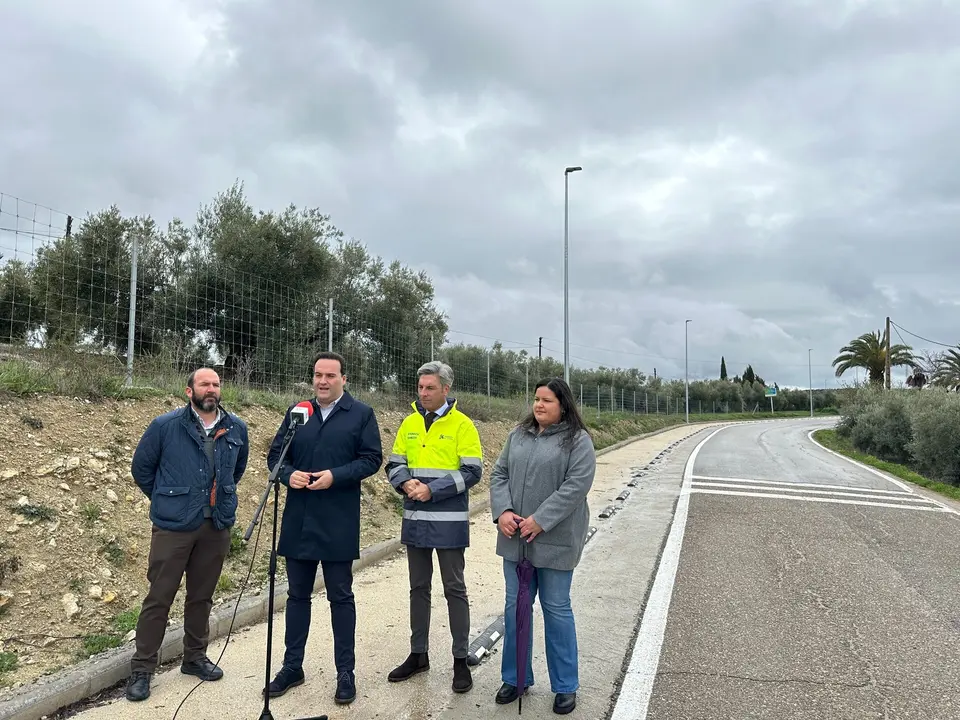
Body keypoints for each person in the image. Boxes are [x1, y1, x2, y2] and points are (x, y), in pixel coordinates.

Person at [264, 350, 383, 706]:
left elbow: (371, 459)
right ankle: (292, 667)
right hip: (299, 520)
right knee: (297, 596)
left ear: (344, 379)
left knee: (340, 598)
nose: (323, 381)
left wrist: (335, 476)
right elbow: (275, 457)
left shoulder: (361, 414)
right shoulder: (298, 412)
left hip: (337, 520)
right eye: (318, 375)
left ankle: (345, 672)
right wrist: (288, 475)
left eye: (330, 376)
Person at [125, 367, 250, 702]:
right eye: (204, 384)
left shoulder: (236, 427)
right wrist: (169, 499)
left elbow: (236, 471)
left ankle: (194, 658)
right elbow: (142, 469)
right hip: (173, 528)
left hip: (216, 527)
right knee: (159, 597)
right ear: (188, 390)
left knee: (202, 597)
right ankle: (142, 669)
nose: (211, 389)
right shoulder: (165, 426)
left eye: (216, 384)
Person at [489, 377, 596, 715]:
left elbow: (576, 486)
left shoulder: (578, 441)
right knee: (515, 610)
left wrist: (540, 520)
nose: (539, 405)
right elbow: (499, 474)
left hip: (556, 542)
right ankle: (515, 678)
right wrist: (503, 511)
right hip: (515, 541)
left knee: (556, 609)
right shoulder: (517, 436)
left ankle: (565, 685)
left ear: (563, 404)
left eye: (547, 400)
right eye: (536, 399)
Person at [385, 360, 483, 693]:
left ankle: (459, 660)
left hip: (449, 523)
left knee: (454, 589)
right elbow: (395, 463)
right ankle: (418, 655)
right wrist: (405, 484)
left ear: (445, 388)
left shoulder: (463, 425)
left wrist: (432, 489)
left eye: (430, 388)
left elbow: (472, 471)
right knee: (418, 589)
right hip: (415, 520)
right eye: (420, 387)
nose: (423, 393)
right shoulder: (409, 422)